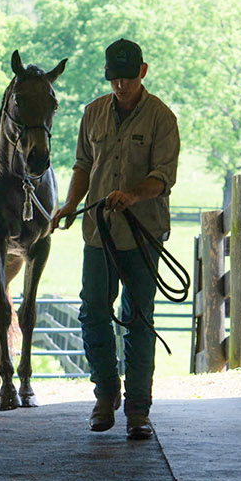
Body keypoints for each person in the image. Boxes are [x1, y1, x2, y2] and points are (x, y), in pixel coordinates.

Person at [49, 38, 180, 439]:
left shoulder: (162, 118)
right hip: (98, 234)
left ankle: (139, 410)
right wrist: (71, 203)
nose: (120, 85)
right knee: (92, 313)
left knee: (139, 320)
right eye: (114, 79)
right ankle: (106, 396)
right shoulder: (92, 115)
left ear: (143, 72)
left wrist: (133, 195)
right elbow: (83, 165)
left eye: (127, 77)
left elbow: (163, 176)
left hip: (143, 235)